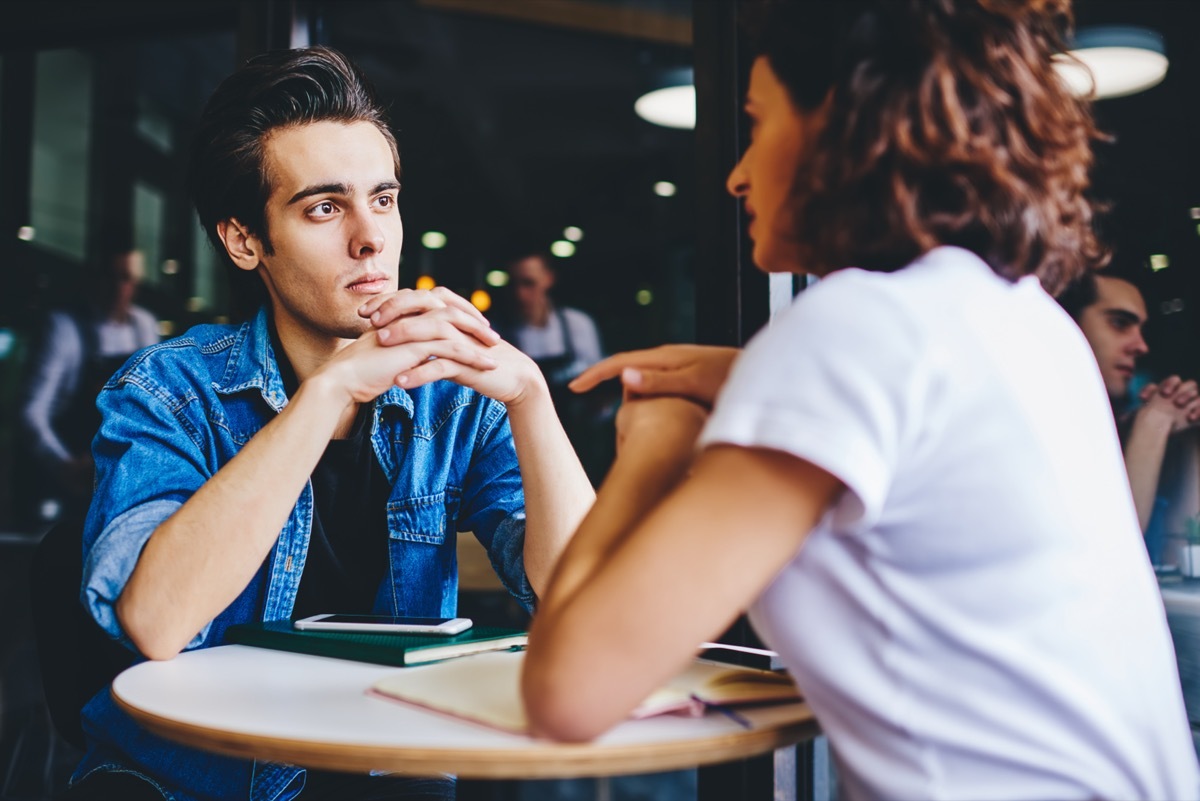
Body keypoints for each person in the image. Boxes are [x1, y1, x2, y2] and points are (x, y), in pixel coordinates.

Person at [522, 2, 1199, 799]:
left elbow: (570, 692)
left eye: (757, 123)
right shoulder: (1026, 319)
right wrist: (743, 375)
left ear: (847, 132)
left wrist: (662, 436)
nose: (737, 173)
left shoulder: (853, 329)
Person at [71, 46, 593, 801]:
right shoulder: (167, 390)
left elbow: (581, 600)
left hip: (389, 777)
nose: (370, 237)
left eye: (383, 199)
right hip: (188, 784)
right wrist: (329, 392)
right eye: (324, 207)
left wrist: (530, 399)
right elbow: (159, 621)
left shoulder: (454, 398)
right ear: (245, 240)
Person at [18, 248, 159, 523]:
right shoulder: (64, 328)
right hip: (69, 476)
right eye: (112, 277)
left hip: (123, 479)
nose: (120, 287)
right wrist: (64, 465)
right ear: (95, 279)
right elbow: (32, 412)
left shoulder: (145, 326)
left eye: (127, 278)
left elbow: (153, 403)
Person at [1057, 270, 1200, 533]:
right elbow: (1113, 549)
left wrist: (1190, 436)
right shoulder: (1040, 425)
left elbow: (1180, 554)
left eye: (1141, 329)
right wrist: (1154, 423)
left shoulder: (1107, 428)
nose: (1141, 346)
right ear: (1066, 323)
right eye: (1120, 323)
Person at [498, 250, 609, 479]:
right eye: (514, 284)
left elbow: (598, 388)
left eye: (529, 283)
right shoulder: (497, 332)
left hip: (575, 438)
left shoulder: (577, 326)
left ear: (548, 279)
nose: (520, 293)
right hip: (519, 441)